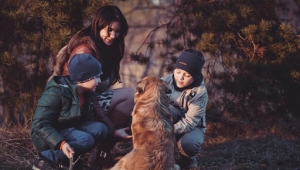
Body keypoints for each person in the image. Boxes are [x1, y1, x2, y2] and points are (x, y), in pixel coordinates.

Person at [50, 5, 135, 168]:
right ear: (98, 25)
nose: (113, 36)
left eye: (117, 32)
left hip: (89, 101)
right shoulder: (84, 50)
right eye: (109, 30)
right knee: (129, 96)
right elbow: (80, 94)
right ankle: (98, 151)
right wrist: (111, 127)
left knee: (131, 98)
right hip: (73, 106)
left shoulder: (108, 47)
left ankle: (102, 153)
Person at [31, 54, 131, 170]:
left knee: (100, 129)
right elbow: (40, 125)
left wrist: (114, 133)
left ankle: (65, 161)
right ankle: (44, 160)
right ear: (83, 78)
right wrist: (61, 143)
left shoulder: (86, 93)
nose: (99, 81)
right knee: (86, 140)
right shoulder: (56, 92)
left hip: (67, 130)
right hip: (47, 139)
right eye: (96, 77)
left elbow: (87, 120)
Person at [161, 49, 208, 170]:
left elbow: (190, 121)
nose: (180, 78)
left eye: (187, 75)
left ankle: (188, 160)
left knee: (189, 143)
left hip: (191, 126)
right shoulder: (164, 81)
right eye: (178, 72)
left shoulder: (200, 93)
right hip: (168, 121)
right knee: (169, 109)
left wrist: (167, 132)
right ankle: (161, 156)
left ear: (196, 75)